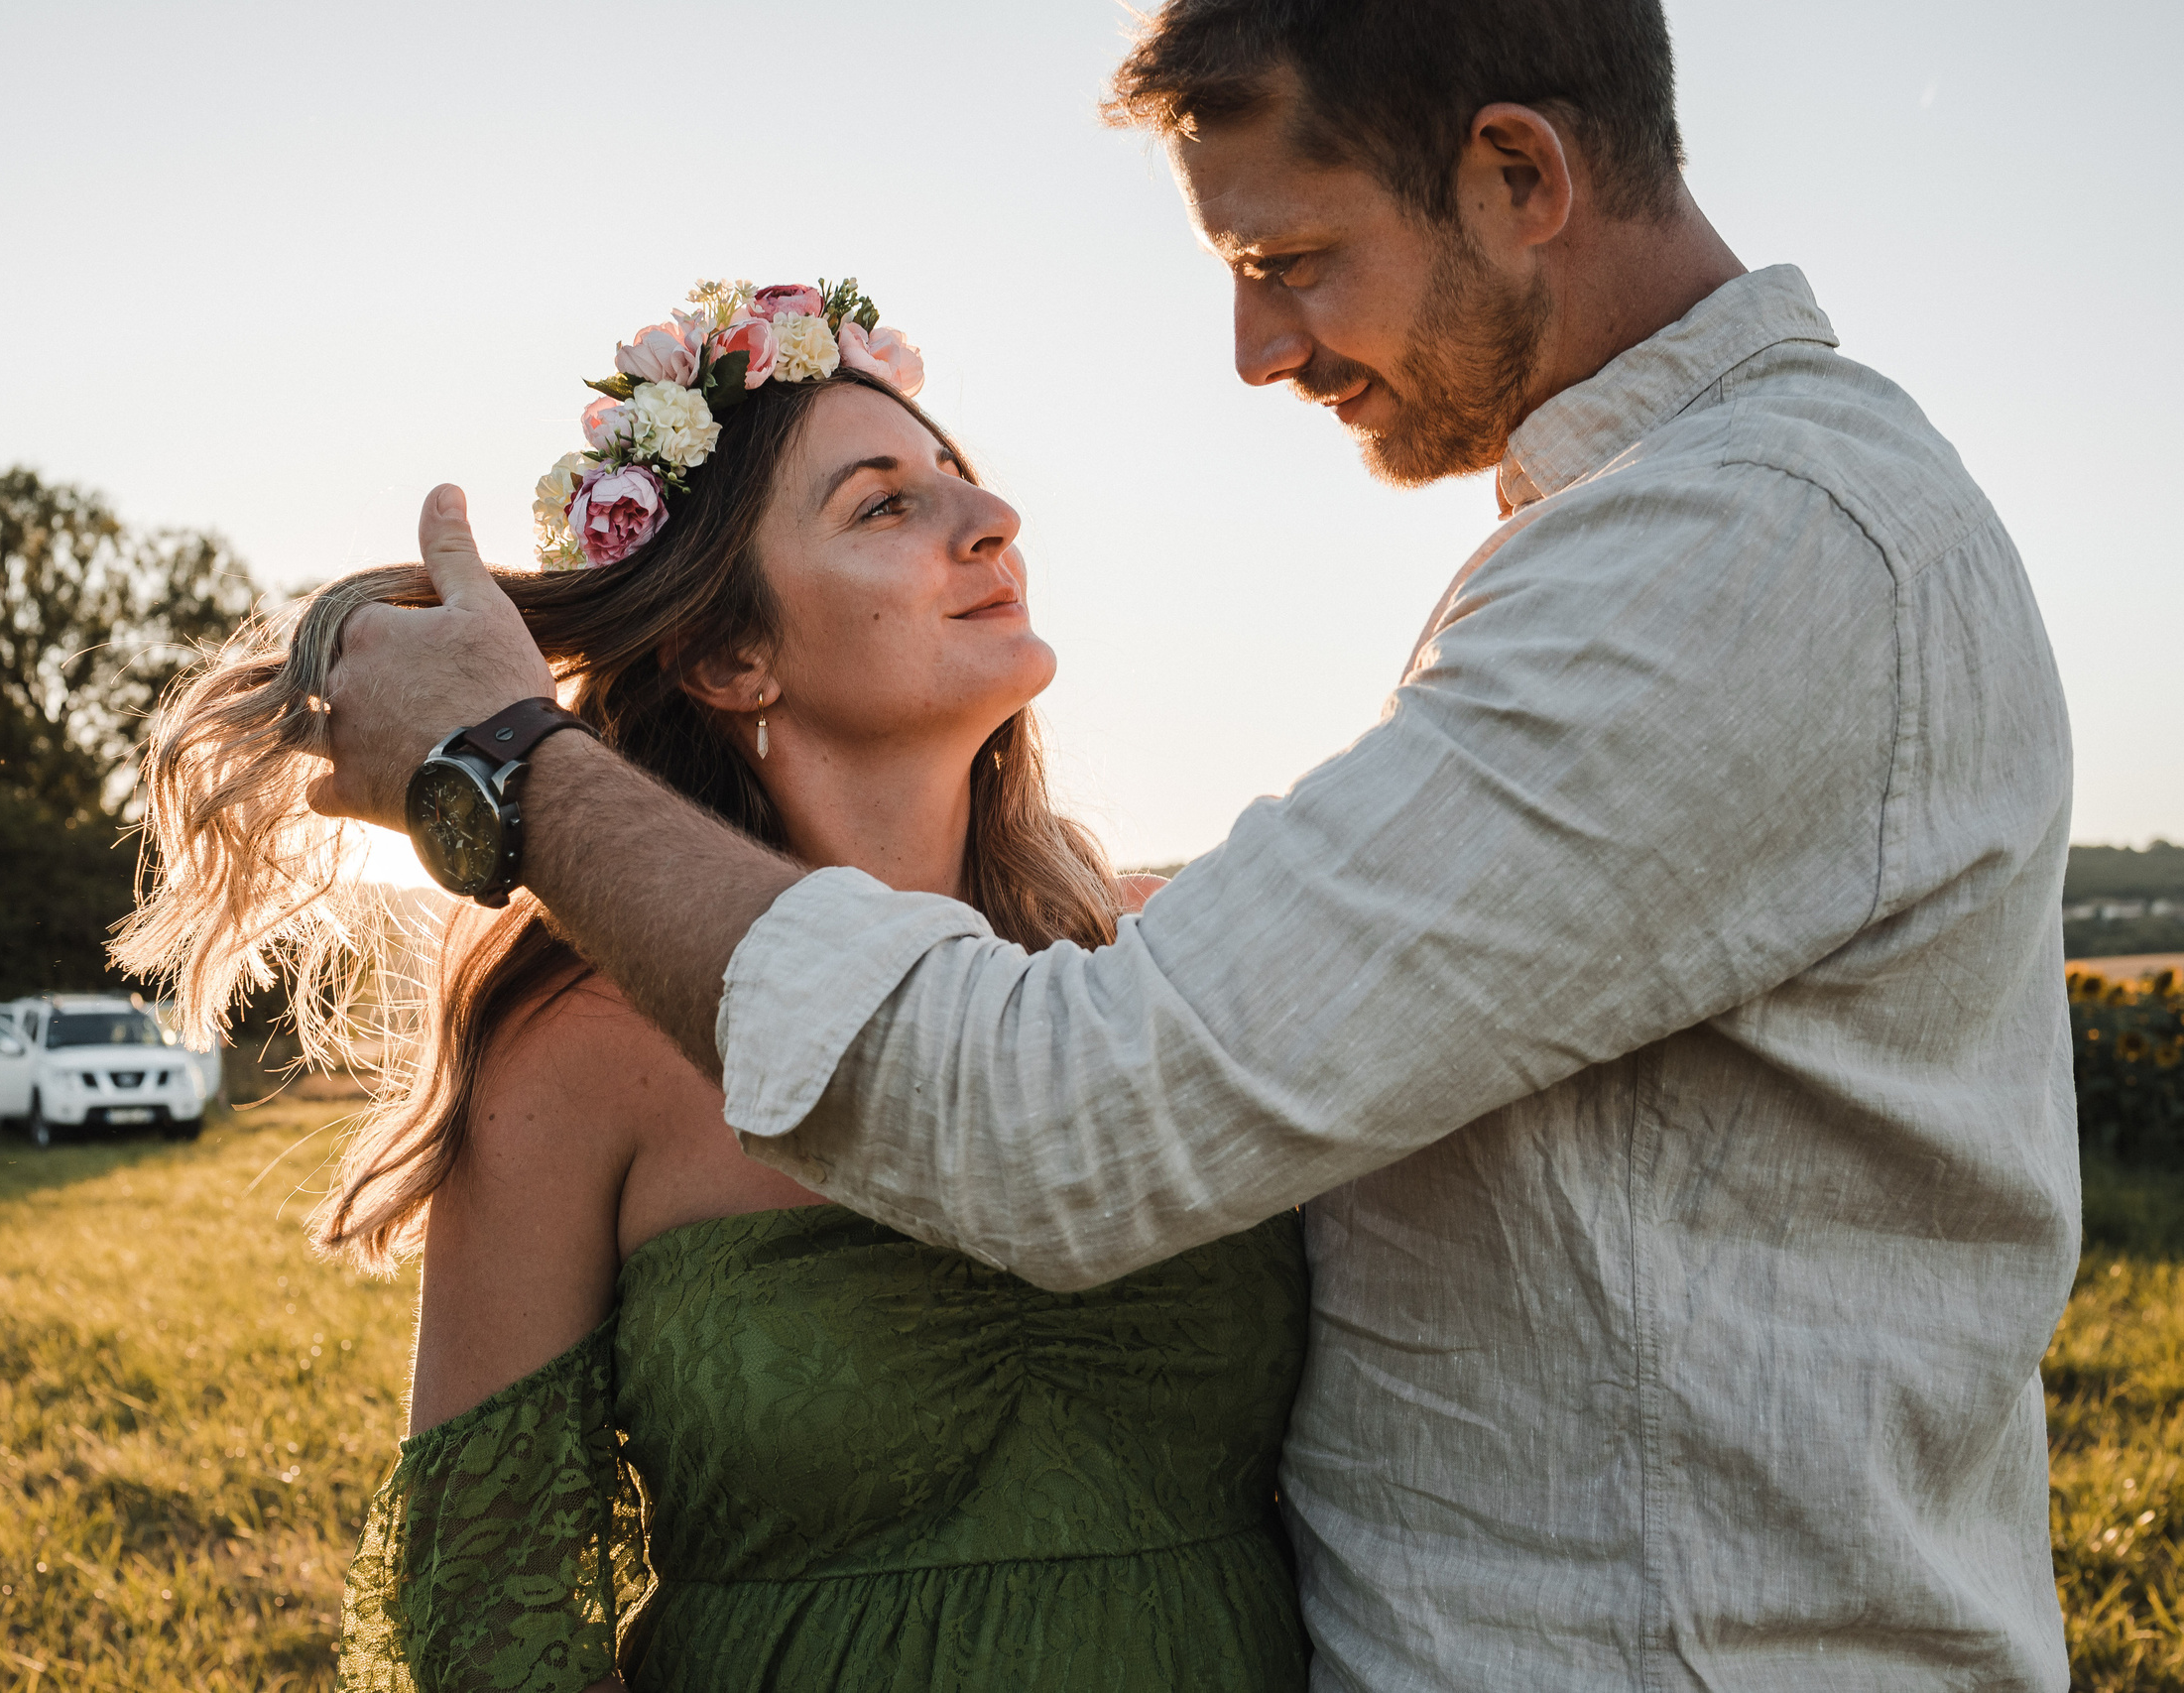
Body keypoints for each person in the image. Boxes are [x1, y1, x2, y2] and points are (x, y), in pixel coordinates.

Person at [300, 1, 2082, 1688]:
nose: (1258, 353)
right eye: (882, 501)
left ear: (1520, 177)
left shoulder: (1741, 558)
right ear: (729, 645)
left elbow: (1064, 1126)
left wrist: (503, 766)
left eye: (1288, 262)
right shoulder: (1628, 544)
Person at [118, 281, 1312, 1691]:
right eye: (883, 506)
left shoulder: (1164, 961)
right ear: (729, 654)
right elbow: (489, 1624)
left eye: (963, 487)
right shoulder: (582, 1047)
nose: (991, 524)